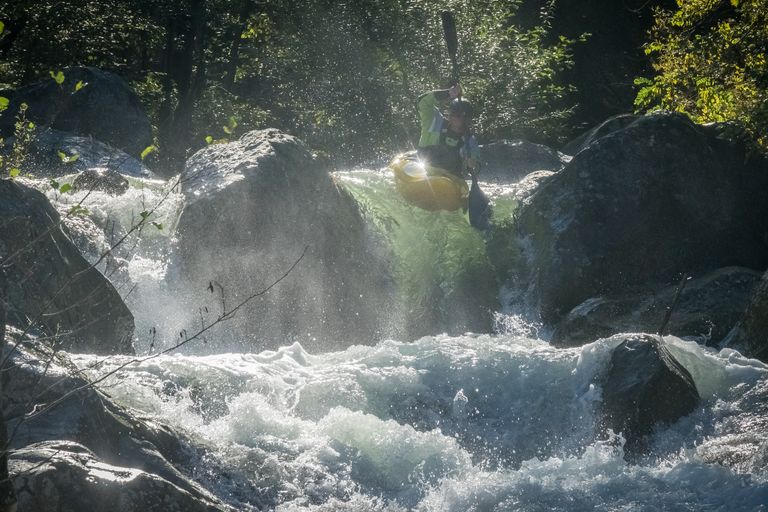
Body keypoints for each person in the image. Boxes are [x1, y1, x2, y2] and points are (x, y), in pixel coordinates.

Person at [416, 84, 478, 177]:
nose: (462, 120)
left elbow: (474, 163)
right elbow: (422, 101)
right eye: (458, 116)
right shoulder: (434, 121)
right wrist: (448, 93)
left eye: (466, 118)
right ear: (450, 116)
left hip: (449, 181)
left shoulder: (469, 140)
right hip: (424, 174)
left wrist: (472, 164)